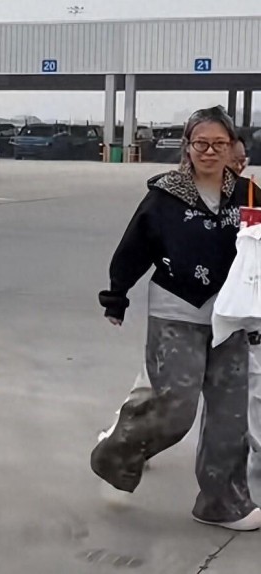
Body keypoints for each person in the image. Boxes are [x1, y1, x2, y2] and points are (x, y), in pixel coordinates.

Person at [91, 106, 261, 530]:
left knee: (230, 416)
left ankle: (222, 504)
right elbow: (134, 248)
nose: (210, 151)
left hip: (231, 316)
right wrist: (116, 297)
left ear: (232, 148)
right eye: (201, 143)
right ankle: (116, 454)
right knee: (176, 409)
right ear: (187, 146)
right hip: (176, 311)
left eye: (219, 143)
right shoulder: (164, 196)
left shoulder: (249, 194)